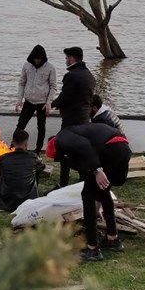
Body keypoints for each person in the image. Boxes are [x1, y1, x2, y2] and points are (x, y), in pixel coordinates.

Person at [47, 122, 131, 262]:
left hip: (110, 150)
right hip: (123, 148)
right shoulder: (78, 133)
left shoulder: (62, 138)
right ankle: (113, 239)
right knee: (103, 192)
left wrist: (97, 170)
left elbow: (84, 147)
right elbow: (86, 157)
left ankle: (92, 249)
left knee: (87, 196)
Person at [50, 46, 96, 186]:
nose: (66, 61)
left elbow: (66, 97)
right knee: (81, 149)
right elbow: (82, 98)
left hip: (71, 120)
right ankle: (83, 179)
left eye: (66, 58)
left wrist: (51, 104)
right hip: (84, 120)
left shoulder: (71, 76)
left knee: (64, 149)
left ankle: (63, 183)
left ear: (71, 58)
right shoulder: (89, 76)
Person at [15, 44, 57, 155]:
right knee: (20, 125)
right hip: (29, 101)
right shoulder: (26, 66)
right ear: (32, 57)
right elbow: (21, 83)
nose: (37, 61)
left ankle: (37, 150)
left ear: (43, 58)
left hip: (42, 103)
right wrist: (19, 99)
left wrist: (49, 102)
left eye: (39, 59)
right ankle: (14, 146)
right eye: (35, 59)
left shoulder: (50, 68)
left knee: (41, 127)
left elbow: (53, 86)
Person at [0, 128, 39, 212]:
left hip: (4, 201)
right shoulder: (34, 158)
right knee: (36, 170)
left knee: (1, 169)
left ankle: (3, 194)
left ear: (12, 142)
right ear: (26, 143)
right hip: (27, 200)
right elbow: (42, 167)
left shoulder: (3, 158)